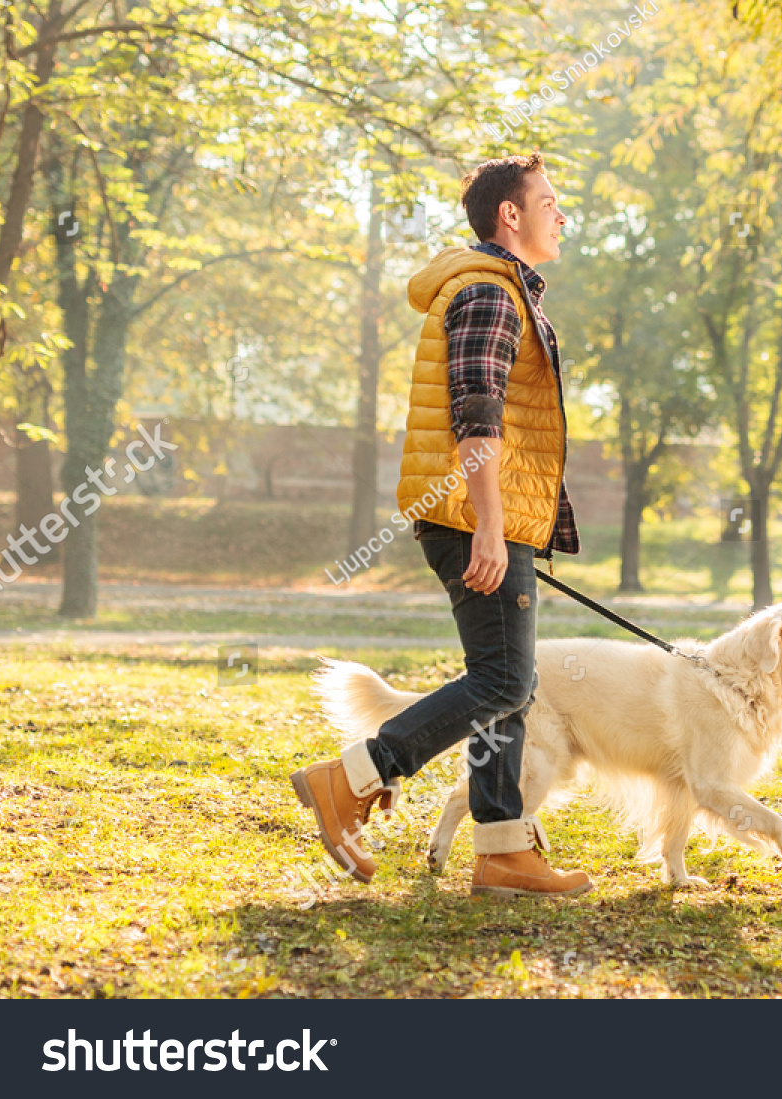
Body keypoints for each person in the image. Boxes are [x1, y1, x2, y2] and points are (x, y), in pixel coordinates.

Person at [290, 152, 592, 899]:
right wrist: (491, 525)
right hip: (470, 516)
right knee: (505, 678)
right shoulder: (490, 292)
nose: (562, 214)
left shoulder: (504, 289)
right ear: (509, 215)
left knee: (511, 689)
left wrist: (517, 524)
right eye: (549, 201)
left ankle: (501, 851)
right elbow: (477, 411)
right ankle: (352, 776)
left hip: (488, 517)